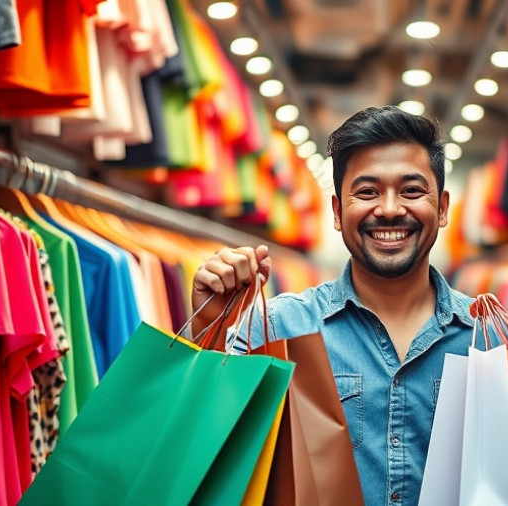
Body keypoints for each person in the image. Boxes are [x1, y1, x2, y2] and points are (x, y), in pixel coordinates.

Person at [191, 106, 485, 506]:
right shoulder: (278, 328)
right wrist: (210, 325)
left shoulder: (490, 338)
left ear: (443, 207)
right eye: (367, 192)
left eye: (412, 190)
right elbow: (209, 452)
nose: (390, 208)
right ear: (336, 211)